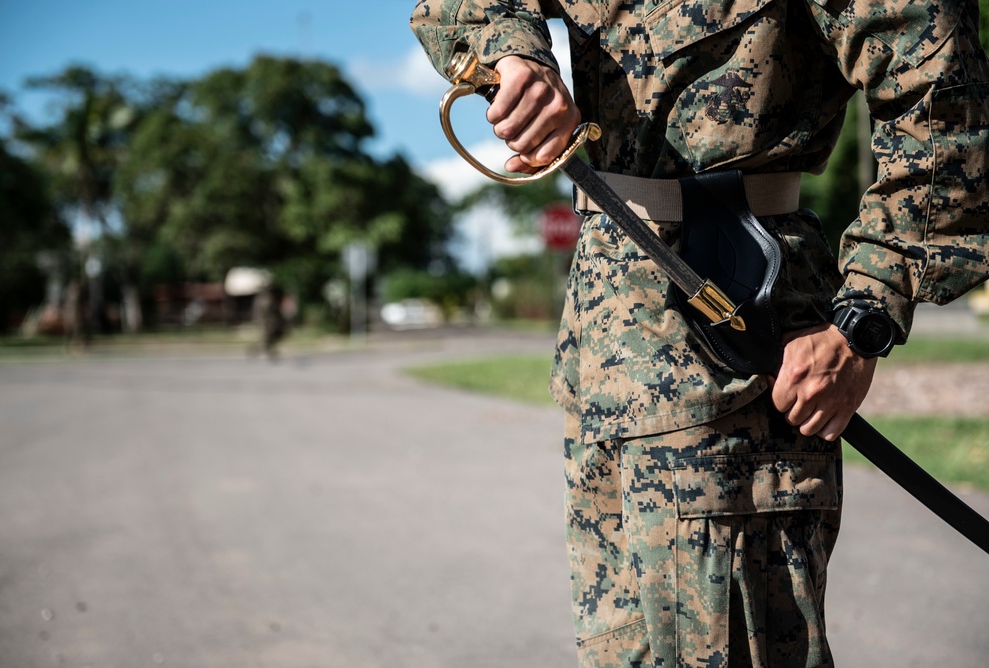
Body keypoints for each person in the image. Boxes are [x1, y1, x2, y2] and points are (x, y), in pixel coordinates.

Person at [411, 1, 989, 665]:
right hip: (604, 342)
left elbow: (946, 98)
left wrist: (868, 312)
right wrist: (515, 59)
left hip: (738, 330)